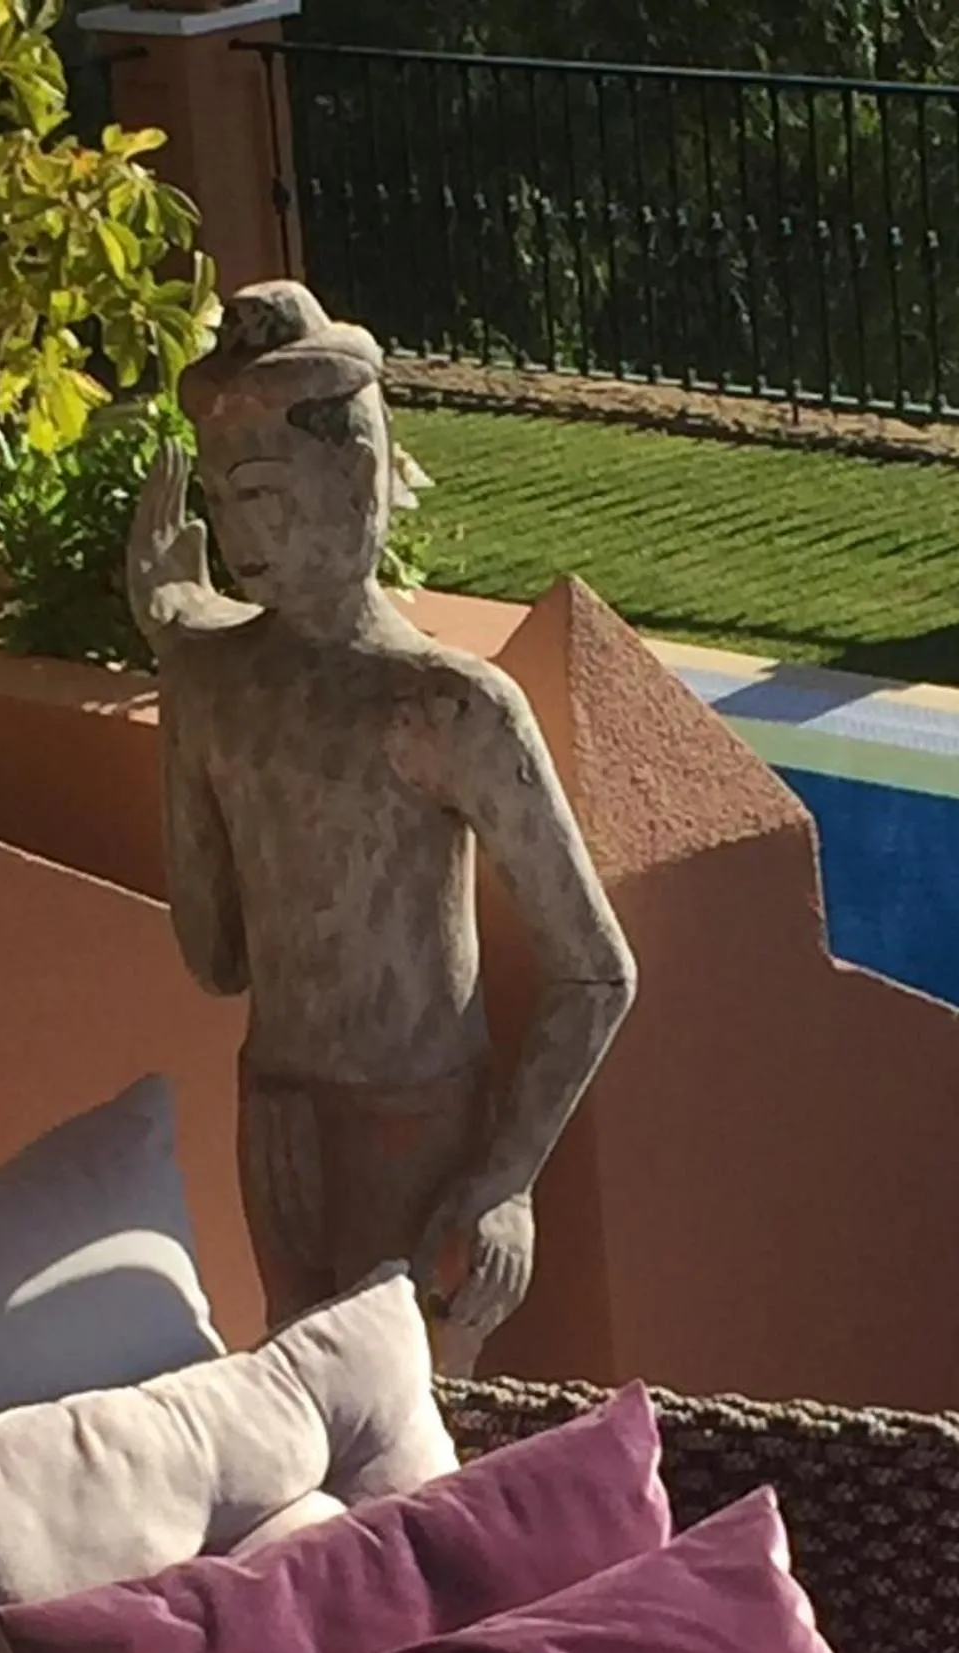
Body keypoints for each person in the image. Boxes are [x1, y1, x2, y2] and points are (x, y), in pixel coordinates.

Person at [130, 283, 635, 1368]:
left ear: (356, 480)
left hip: (416, 1130)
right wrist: (184, 662)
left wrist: (506, 1184)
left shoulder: (447, 706)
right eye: (224, 503)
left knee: (409, 1414)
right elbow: (216, 957)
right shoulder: (219, 687)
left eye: (266, 494)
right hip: (278, 1112)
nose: (244, 534)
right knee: (298, 1394)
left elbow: (596, 971)